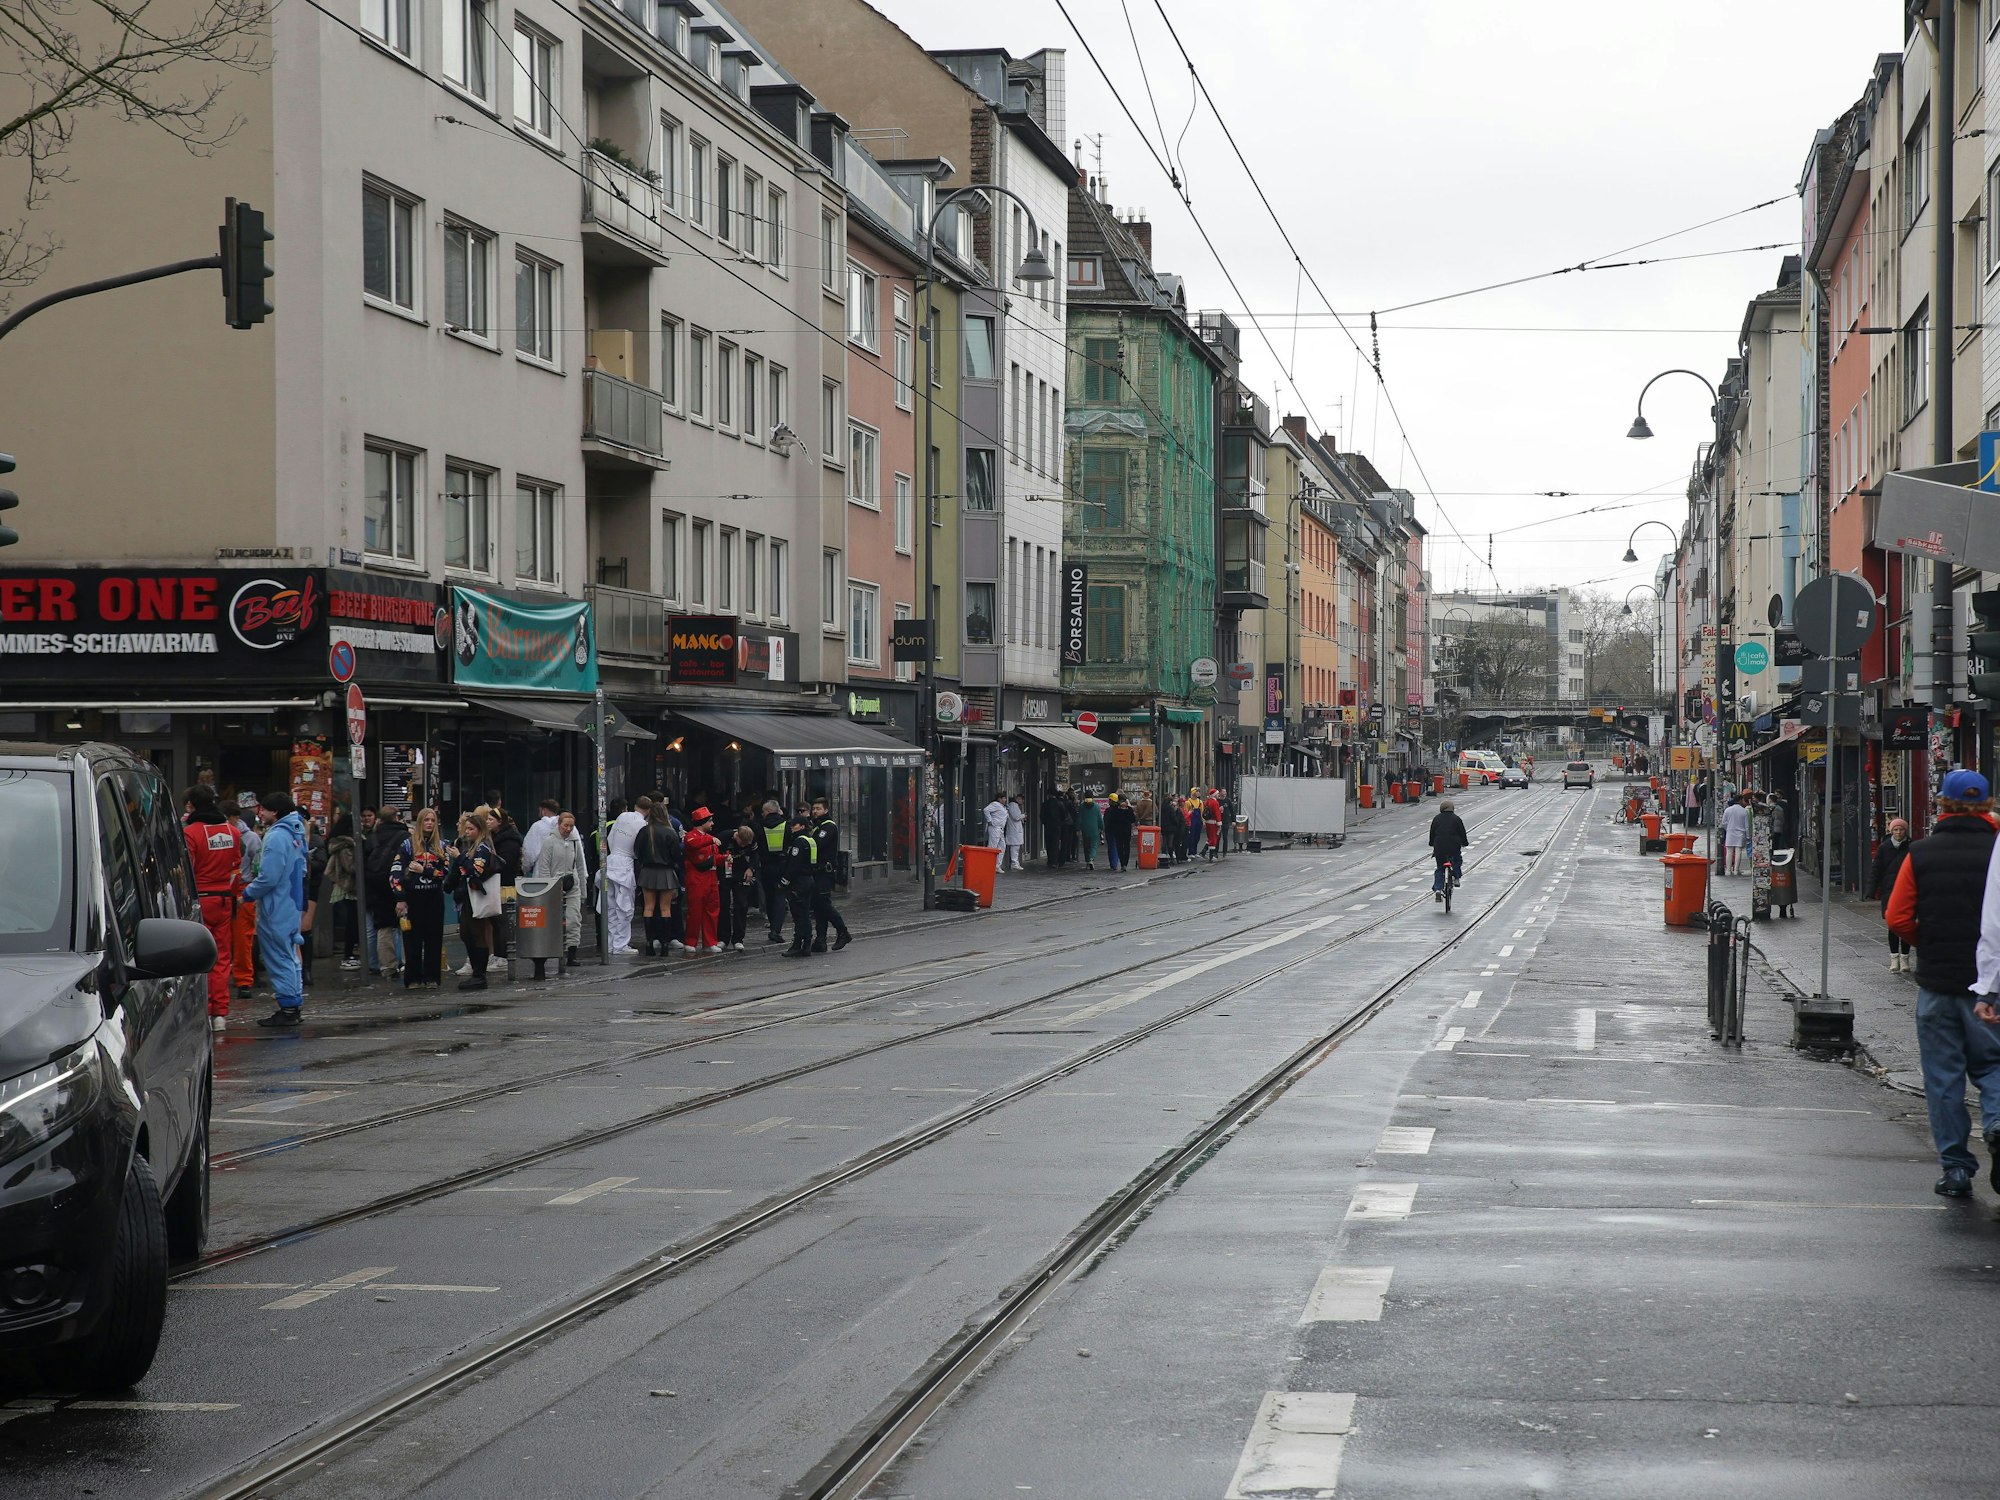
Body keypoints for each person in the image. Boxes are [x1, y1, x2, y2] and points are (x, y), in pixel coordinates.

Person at [1886, 769, 2000, 1198]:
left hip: (1937, 986)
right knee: (1994, 1065)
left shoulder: (1922, 853)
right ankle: (1997, 1122)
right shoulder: (1997, 850)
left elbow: (1897, 917)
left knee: (1943, 1078)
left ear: (1941, 805)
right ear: (1987, 805)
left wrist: (1927, 944)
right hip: (1990, 986)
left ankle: (1956, 1170)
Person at [244, 791, 308, 1027]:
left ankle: (288, 1008)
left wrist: (248, 893)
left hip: (276, 905)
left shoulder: (277, 836)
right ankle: (293, 1005)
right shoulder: (297, 831)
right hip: (291, 903)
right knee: (290, 956)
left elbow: (269, 877)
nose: (261, 813)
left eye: (265, 809)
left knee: (279, 956)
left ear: (275, 812)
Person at [182, 786, 240, 1032]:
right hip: (224, 899)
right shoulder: (233, 832)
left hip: (201, 901)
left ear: (191, 806)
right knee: (222, 957)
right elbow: (236, 868)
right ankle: (220, 1014)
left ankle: (201, 1009)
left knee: (196, 958)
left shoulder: (191, 833)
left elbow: (187, 871)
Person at [391, 806, 452, 988]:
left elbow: (445, 873)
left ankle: (432, 977)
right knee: (412, 940)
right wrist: (400, 898)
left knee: (434, 939)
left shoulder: (441, 846)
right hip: (413, 897)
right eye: (426, 820)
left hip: (434, 896)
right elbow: (395, 872)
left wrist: (425, 870)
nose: (429, 823)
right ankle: (413, 978)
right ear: (419, 823)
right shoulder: (407, 845)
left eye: (432, 820)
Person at [447, 810, 501, 991]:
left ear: (479, 829)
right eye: (466, 828)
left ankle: (480, 974)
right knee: (466, 932)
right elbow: (460, 871)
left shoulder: (483, 848)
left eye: (471, 829)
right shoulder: (469, 847)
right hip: (467, 895)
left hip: (477, 895)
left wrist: (459, 858)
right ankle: (477, 972)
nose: (467, 832)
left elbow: (475, 870)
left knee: (476, 932)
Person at [533, 809, 588, 967]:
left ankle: (572, 953)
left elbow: (580, 867)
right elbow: (544, 868)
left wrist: (583, 892)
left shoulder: (575, 842)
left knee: (573, 919)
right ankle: (552, 952)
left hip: (572, 885)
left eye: (571, 826)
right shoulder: (549, 842)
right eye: (566, 826)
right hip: (554, 886)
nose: (568, 829)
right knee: (553, 921)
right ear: (559, 825)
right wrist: (546, 890)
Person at [634, 797, 682, 956]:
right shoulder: (670, 831)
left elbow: (637, 851)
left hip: (647, 871)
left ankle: (649, 944)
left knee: (648, 907)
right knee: (665, 908)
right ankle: (665, 945)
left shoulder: (644, 831)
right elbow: (676, 854)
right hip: (666, 872)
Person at [365, 805, 406, 978]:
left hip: (376, 888)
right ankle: (405, 962)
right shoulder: (404, 836)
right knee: (404, 926)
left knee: (383, 928)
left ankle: (387, 967)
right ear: (397, 817)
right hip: (399, 886)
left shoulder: (372, 837)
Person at [229, 794, 262, 998]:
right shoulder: (237, 836)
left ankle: (244, 980)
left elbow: (258, 866)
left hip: (243, 888)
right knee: (228, 939)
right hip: (227, 889)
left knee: (243, 938)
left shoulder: (250, 838)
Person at [603, 797, 646, 956]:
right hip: (625, 866)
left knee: (611, 907)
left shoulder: (621, 818)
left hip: (610, 863)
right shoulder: (642, 824)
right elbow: (638, 847)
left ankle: (610, 944)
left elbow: (610, 838)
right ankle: (620, 945)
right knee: (625, 908)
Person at [1872, 818, 1914, 973]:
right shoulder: (1884, 848)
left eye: (1901, 829)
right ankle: (1894, 959)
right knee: (1893, 926)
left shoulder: (1912, 847)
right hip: (1889, 891)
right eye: (1895, 830)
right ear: (1891, 831)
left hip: (1908, 891)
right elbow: (1876, 869)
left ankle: (1905, 959)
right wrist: (1872, 890)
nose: (1898, 832)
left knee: (1907, 925)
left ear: (1905, 831)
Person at [810, 797, 852, 951]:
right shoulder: (817, 825)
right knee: (818, 906)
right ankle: (821, 940)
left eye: (818, 808)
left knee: (823, 904)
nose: (815, 811)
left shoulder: (828, 826)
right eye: (814, 808)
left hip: (824, 872)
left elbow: (817, 845)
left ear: (826, 810)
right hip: (816, 872)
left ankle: (843, 931)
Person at [485, 798, 523, 962]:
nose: (487, 822)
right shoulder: (494, 837)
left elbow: (505, 863)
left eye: (490, 819)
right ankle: (498, 954)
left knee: (502, 923)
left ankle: (503, 956)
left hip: (505, 885)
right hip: (496, 884)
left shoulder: (509, 841)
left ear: (500, 822)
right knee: (496, 923)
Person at [682, 806, 724, 953]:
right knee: (695, 911)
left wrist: (724, 858)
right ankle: (691, 942)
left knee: (712, 910)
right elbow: (692, 844)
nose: (712, 824)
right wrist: (710, 839)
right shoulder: (692, 836)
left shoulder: (708, 839)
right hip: (697, 879)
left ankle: (709, 941)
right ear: (702, 822)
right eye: (710, 821)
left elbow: (713, 858)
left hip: (711, 878)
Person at [781, 811, 820, 958]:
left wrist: (784, 882)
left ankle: (797, 945)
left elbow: (794, 865)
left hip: (799, 882)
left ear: (802, 826)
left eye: (794, 825)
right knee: (804, 914)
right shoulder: (810, 840)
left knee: (798, 915)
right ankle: (807, 944)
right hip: (809, 879)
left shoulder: (799, 842)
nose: (791, 827)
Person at [326, 813, 360, 972]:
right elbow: (351, 867)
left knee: (352, 921)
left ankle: (350, 952)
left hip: (344, 885)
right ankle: (348, 954)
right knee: (352, 921)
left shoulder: (339, 843)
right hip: (349, 886)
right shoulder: (346, 845)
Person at [756, 798, 790, 944]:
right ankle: (776, 929)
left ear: (768, 811)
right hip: (783, 865)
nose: (762, 814)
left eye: (763, 811)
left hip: (766, 866)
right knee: (780, 897)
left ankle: (772, 928)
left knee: (769, 897)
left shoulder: (759, 826)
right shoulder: (786, 825)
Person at [721, 825, 759, 952]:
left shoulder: (751, 840)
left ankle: (738, 939)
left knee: (742, 905)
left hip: (741, 872)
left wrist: (750, 868)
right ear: (736, 836)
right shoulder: (724, 837)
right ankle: (722, 938)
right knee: (723, 904)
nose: (743, 846)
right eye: (741, 843)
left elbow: (755, 854)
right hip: (724, 872)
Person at [1428, 797, 1469, 899]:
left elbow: (1432, 833)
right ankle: (1456, 878)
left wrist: (1432, 843)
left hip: (1439, 847)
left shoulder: (1436, 818)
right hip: (1454, 846)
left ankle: (1438, 889)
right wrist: (1465, 843)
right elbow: (1462, 833)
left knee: (1440, 868)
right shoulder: (1456, 819)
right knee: (1457, 860)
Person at [521, 797, 561, 873]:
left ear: (544, 811)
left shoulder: (537, 827)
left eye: (539, 811)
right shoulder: (567, 827)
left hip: (541, 872)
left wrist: (525, 868)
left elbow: (529, 853)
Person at [1720, 791, 1751, 877]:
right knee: (1738, 851)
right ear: (1740, 800)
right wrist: (1748, 836)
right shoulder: (1744, 811)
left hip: (1730, 832)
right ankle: (1736, 869)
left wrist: (1728, 828)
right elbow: (1747, 825)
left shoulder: (1728, 810)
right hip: (1740, 833)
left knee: (1729, 852)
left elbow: (1723, 823)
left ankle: (1728, 870)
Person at [1105, 792, 1135, 872]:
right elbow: (1133, 819)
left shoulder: (1115, 809)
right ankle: (1125, 864)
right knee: (1127, 847)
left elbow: (1111, 820)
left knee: (1120, 847)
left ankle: (1122, 864)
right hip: (1126, 831)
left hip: (1118, 831)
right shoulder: (1129, 809)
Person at [1040, 787, 1067, 868]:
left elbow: (1042, 815)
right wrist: (1059, 821)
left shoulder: (1045, 803)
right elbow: (1064, 815)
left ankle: (1050, 860)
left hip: (1048, 826)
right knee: (1055, 843)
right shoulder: (1059, 803)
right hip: (1057, 825)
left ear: (1048, 794)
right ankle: (1054, 861)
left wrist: (1045, 822)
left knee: (1048, 843)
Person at [1077, 793, 1103, 871]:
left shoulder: (1082, 806)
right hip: (1094, 829)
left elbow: (1079, 818)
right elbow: (1099, 819)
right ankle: (1091, 859)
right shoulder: (1097, 806)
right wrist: (1101, 827)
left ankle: (1087, 860)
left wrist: (1077, 828)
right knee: (1093, 845)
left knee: (1086, 846)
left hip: (1085, 829)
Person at [1003, 794, 1027, 871]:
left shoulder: (1014, 805)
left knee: (1016, 847)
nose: (1022, 802)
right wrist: (1023, 815)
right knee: (1015, 847)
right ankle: (1014, 863)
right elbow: (1016, 817)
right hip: (1014, 830)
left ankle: (1015, 863)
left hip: (1015, 829)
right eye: (1022, 800)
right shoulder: (1013, 805)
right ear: (1018, 799)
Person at [983, 793, 1008, 862]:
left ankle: (997, 865)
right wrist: (989, 820)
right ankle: (988, 864)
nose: (1005, 800)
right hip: (995, 827)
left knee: (1002, 847)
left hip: (1001, 829)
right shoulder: (995, 804)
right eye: (1004, 798)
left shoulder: (1003, 806)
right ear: (999, 799)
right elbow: (986, 810)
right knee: (992, 847)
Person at [1203, 788, 1225, 861]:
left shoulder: (1208, 801)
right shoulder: (1215, 802)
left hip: (1208, 822)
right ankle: (1211, 856)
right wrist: (1219, 823)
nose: (1218, 795)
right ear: (1215, 795)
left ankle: (1204, 851)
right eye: (1217, 794)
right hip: (1213, 823)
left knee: (1209, 837)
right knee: (1213, 839)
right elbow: (1216, 813)